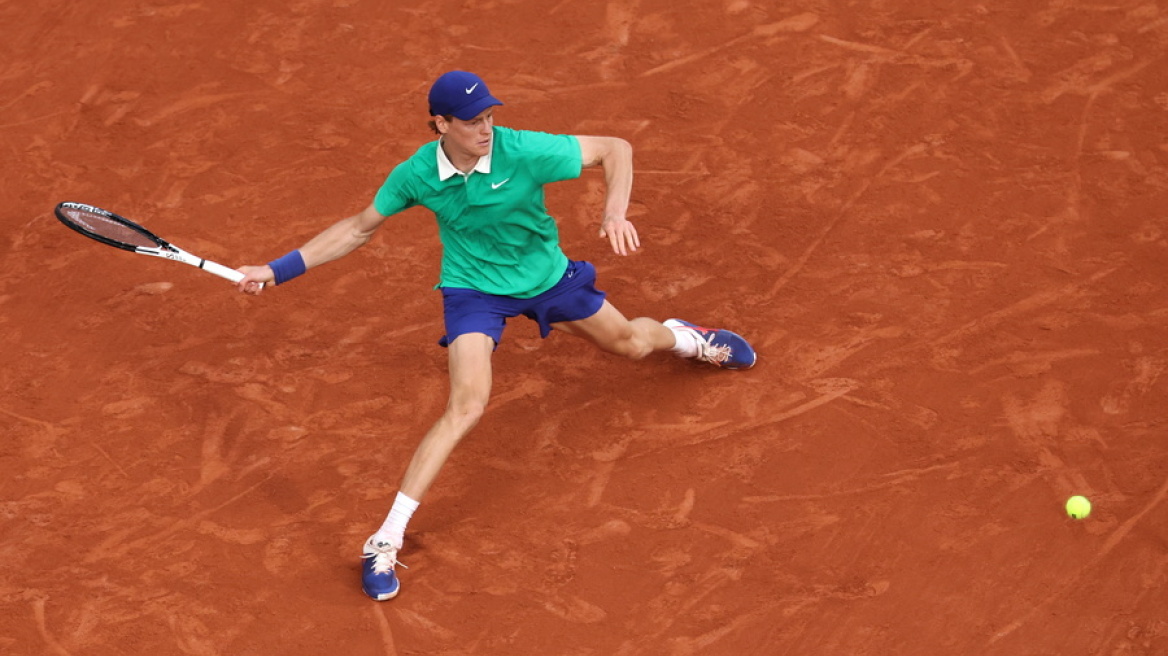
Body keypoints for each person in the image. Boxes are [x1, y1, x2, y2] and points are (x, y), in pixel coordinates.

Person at [234, 70, 757, 601]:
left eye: (489, 116)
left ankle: (687, 339)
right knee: (466, 405)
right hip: (474, 291)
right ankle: (385, 539)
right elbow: (357, 228)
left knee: (631, 344)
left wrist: (614, 210)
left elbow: (614, 149)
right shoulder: (416, 174)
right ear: (441, 123)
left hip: (547, 278)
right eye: (472, 121)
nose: (486, 128)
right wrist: (276, 270)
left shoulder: (522, 150)